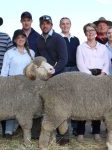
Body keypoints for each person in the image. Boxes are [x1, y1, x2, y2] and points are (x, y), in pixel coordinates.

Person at [36, 15, 68, 144]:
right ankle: (48, 134)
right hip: (43, 79)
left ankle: (64, 135)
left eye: (47, 23)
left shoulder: (58, 38)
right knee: (46, 106)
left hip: (57, 77)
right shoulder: (38, 40)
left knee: (60, 107)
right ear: (40, 25)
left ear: (51, 25)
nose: (45, 25)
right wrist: (41, 74)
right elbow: (38, 59)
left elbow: (63, 59)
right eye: (43, 23)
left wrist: (52, 73)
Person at [76, 23, 109, 141]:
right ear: (85, 33)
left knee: (98, 105)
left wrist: (102, 74)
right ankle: (80, 132)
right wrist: (90, 76)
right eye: (87, 31)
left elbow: (106, 63)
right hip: (86, 76)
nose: (90, 33)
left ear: (95, 33)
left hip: (101, 77)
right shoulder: (81, 48)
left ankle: (96, 131)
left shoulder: (103, 47)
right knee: (83, 104)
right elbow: (80, 64)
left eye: (92, 30)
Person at [0, 29, 35, 138]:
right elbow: (4, 70)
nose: (21, 39)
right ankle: (8, 132)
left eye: (23, 37)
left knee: (25, 108)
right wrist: (2, 84)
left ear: (25, 39)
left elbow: (33, 70)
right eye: (18, 37)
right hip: (12, 84)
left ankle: (24, 130)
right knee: (11, 108)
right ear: (15, 40)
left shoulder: (31, 53)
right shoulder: (9, 53)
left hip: (27, 85)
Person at [20, 11, 41, 140]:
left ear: (31, 21)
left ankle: (34, 130)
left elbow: (38, 56)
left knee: (34, 101)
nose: (26, 22)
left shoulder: (37, 36)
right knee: (19, 101)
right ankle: (20, 128)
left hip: (33, 75)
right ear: (21, 21)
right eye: (24, 20)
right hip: (20, 75)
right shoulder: (18, 34)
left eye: (28, 20)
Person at [59, 17, 80, 136]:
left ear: (70, 25)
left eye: (67, 23)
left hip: (75, 70)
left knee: (75, 99)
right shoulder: (57, 38)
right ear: (60, 25)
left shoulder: (75, 39)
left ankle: (76, 128)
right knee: (63, 100)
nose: (65, 25)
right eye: (63, 24)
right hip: (62, 70)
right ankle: (63, 129)